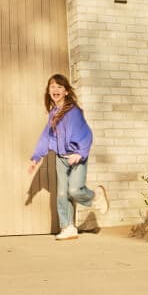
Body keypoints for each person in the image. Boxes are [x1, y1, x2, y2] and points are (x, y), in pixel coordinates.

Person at [28, 73, 109, 240]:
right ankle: (68, 227)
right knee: (62, 194)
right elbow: (46, 137)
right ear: (48, 91)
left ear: (66, 91)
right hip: (61, 159)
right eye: (52, 87)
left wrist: (80, 153)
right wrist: (36, 157)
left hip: (77, 156)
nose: (55, 89)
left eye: (59, 87)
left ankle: (96, 197)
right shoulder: (54, 113)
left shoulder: (73, 112)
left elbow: (86, 133)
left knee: (74, 190)